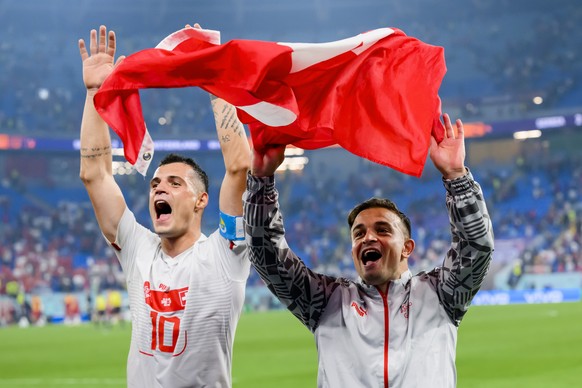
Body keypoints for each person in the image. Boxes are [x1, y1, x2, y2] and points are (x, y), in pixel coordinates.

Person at [243, 114, 494, 387]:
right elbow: (267, 255)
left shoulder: (440, 294)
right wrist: (261, 180)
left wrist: (456, 177)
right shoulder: (327, 301)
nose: (368, 237)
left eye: (383, 230)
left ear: (407, 248)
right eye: (359, 233)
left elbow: (476, 247)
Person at [78, 24, 251, 387]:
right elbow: (95, 174)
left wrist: (215, 79)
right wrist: (95, 93)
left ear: (202, 200)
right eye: (155, 183)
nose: (160, 188)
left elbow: (239, 167)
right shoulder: (139, 250)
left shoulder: (226, 254)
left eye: (175, 183)